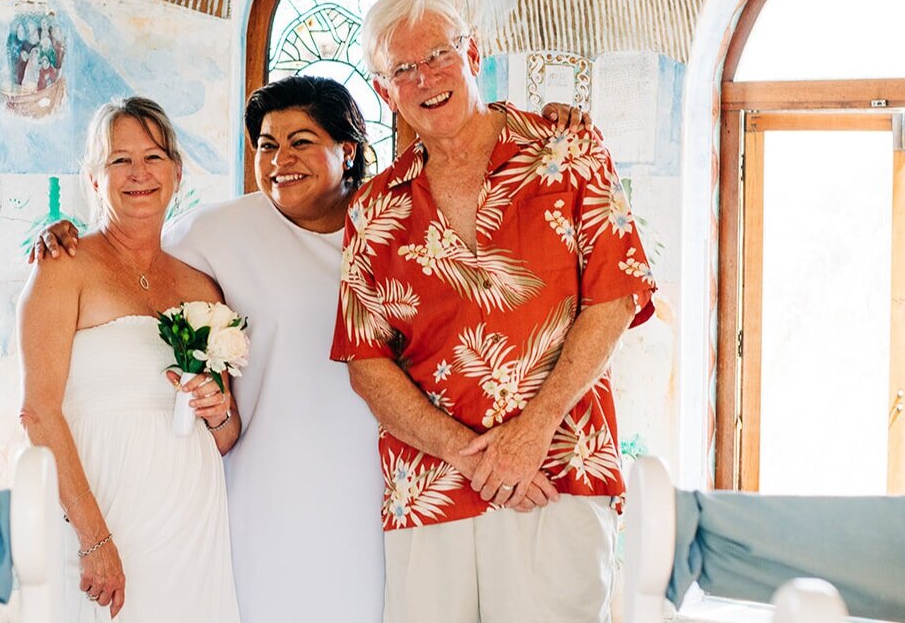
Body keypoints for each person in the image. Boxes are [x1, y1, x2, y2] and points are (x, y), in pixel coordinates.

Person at [32, 78, 592, 622]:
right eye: (267, 145)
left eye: (300, 142)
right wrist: (63, 233)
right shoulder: (217, 231)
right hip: (266, 491)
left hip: (391, 483)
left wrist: (549, 126)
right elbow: (132, 253)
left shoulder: (399, 222)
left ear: (347, 151)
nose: (280, 160)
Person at [329, 0, 657, 623]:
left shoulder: (568, 151)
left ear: (471, 52)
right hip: (430, 488)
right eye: (402, 69)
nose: (425, 78)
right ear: (382, 89)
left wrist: (530, 434)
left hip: (557, 470)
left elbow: (615, 300)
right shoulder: (373, 209)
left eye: (438, 55)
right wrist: (468, 454)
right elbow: (366, 364)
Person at [18, 97, 241, 621]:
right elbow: (37, 412)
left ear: (177, 173)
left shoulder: (202, 284)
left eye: (154, 157)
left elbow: (227, 436)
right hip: (103, 510)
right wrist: (95, 540)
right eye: (120, 160)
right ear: (94, 179)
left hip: (191, 518)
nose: (138, 173)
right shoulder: (62, 266)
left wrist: (218, 410)